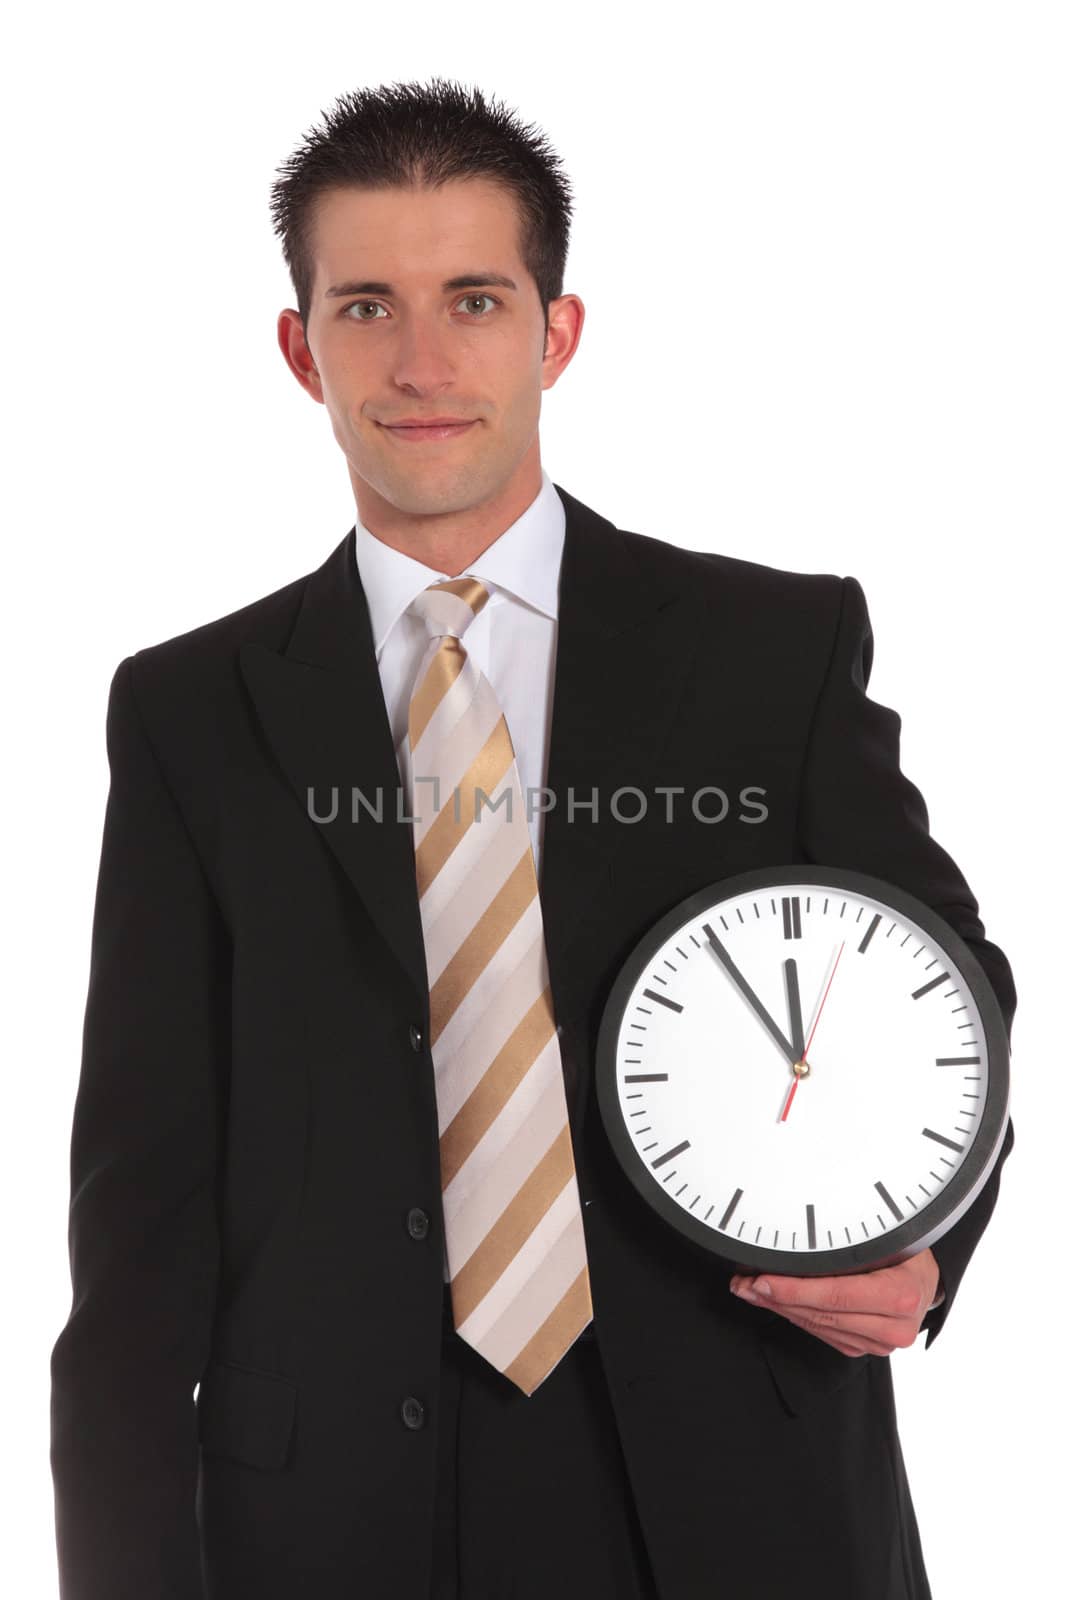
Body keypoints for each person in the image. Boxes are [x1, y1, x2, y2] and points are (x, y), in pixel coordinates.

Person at [49, 78, 1016, 1600]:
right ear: (301, 350)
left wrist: (927, 1242)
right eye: (366, 305)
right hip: (329, 1520)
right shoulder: (189, 711)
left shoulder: (770, 647)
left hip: (733, 1480)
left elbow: (938, 986)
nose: (422, 361)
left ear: (556, 333)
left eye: (474, 299)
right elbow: (139, 1210)